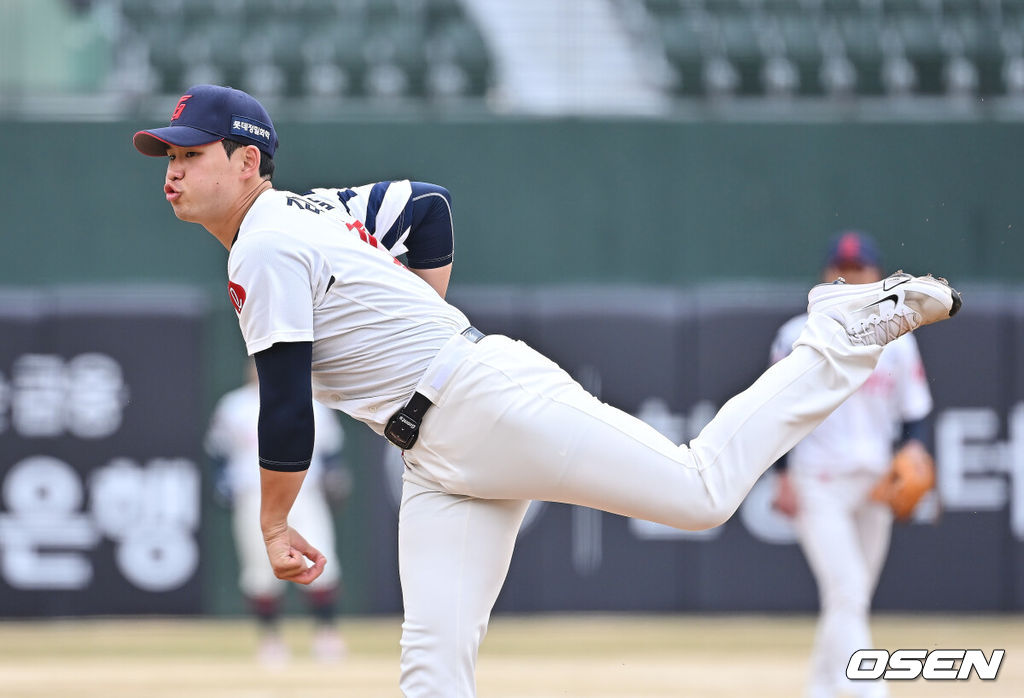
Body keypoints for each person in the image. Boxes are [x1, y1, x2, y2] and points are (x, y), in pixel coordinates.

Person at [132, 84, 961, 697]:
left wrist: (276, 521)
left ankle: (844, 332)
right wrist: (418, 314)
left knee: (703, 489)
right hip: (436, 454)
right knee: (432, 667)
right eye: (169, 156)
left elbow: (284, 403)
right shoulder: (314, 213)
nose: (171, 172)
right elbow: (427, 205)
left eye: (189, 155)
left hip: (486, 401)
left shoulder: (266, 243)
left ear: (247, 162)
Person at [770, 231, 935, 698]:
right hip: (818, 481)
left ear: (878, 276)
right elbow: (776, 415)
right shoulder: (795, 335)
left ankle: (821, 689)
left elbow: (915, 413)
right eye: (839, 268)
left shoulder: (900, 340)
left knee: (851, 597)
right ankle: (868, 691)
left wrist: (916, 449)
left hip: (876, 482)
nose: (849, 276)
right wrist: (782, 476)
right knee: (847, 592)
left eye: (859, 268)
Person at [205, 361, 350, 665]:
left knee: (321, 561)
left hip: (304, 493)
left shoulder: (312, 402)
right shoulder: (234, 406)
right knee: (259, 570)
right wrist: (222, 482)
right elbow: (218, 450)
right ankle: (270, 641)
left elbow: (331, 451)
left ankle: (327, 635)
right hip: (253, 495)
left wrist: (334, 475)